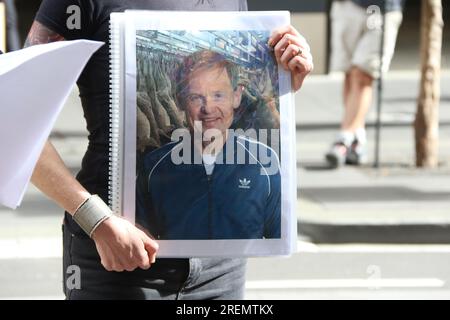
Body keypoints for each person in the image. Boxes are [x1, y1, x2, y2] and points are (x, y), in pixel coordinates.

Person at [27, 0, 313, 299]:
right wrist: (94, 219)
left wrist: (283, 78)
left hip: (221, 272)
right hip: (118, 263)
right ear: (181, 101)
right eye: (195, 97)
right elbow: (13, 116)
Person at [136, 50, 281, 240]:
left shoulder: (264, 161)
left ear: (236, 96)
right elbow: (142, 240)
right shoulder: (155, 166)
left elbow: (278, 241)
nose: (208, 108)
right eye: (196, 97)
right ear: (180, 101)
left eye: (218, 95)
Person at [325, 0, 403, 167]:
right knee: (349, 74)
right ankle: (357, 139)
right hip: (347, 6)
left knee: (362, 75)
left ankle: (344, 139)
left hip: (383, 10)